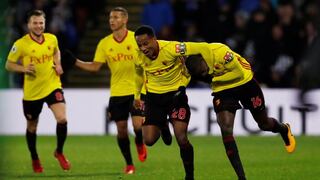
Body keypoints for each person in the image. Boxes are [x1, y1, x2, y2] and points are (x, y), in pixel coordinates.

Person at [184, 43, 296, 180]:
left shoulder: (220, 52)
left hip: (245, 83)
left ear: (203, 60)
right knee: (225, 128)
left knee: (264, 124)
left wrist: (214, 79)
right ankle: (241, 177)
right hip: (223, 91)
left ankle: (284, 129)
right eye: (200, 75)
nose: (204, 74)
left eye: (203, 70)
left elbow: (238, 73)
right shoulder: (193, 65)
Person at [71, 7, 147, 174]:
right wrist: (75, 62)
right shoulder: (105, 43)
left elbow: (150, 59)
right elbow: (95, 66)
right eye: (110, 17)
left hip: (136, 91)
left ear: (125, 20)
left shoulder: (137, 40)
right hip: (117, 93)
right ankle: (129, 164)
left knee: (138, 126)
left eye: (116, 17)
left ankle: (140, 143)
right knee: (121, 130)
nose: (112, 20)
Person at [133, 25, 210, 180]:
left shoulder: (173, 48)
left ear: (154, 39)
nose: (143, 48)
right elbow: (139, 75)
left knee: (181, 138)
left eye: (146, 43)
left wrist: (209, 64)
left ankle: (189, 176)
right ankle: (163, 125)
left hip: (176, 97)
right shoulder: (138, 57)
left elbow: (202, 47)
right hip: (153, 99)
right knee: (148, 140)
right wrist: (137, 96)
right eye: (140, 45)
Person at [5, 10, 71, 173]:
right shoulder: (21, 44)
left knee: (62, 119)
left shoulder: (51, 38)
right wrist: (23, 68)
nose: (38, 25)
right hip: (32, 93)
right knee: (32, 127)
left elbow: (56, 51)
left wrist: (58, 64)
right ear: (29, 25)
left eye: (41, 22)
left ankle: (59, 152)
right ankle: (34, 157)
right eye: (35, 23)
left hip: (52, 85)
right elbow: (8, 64)